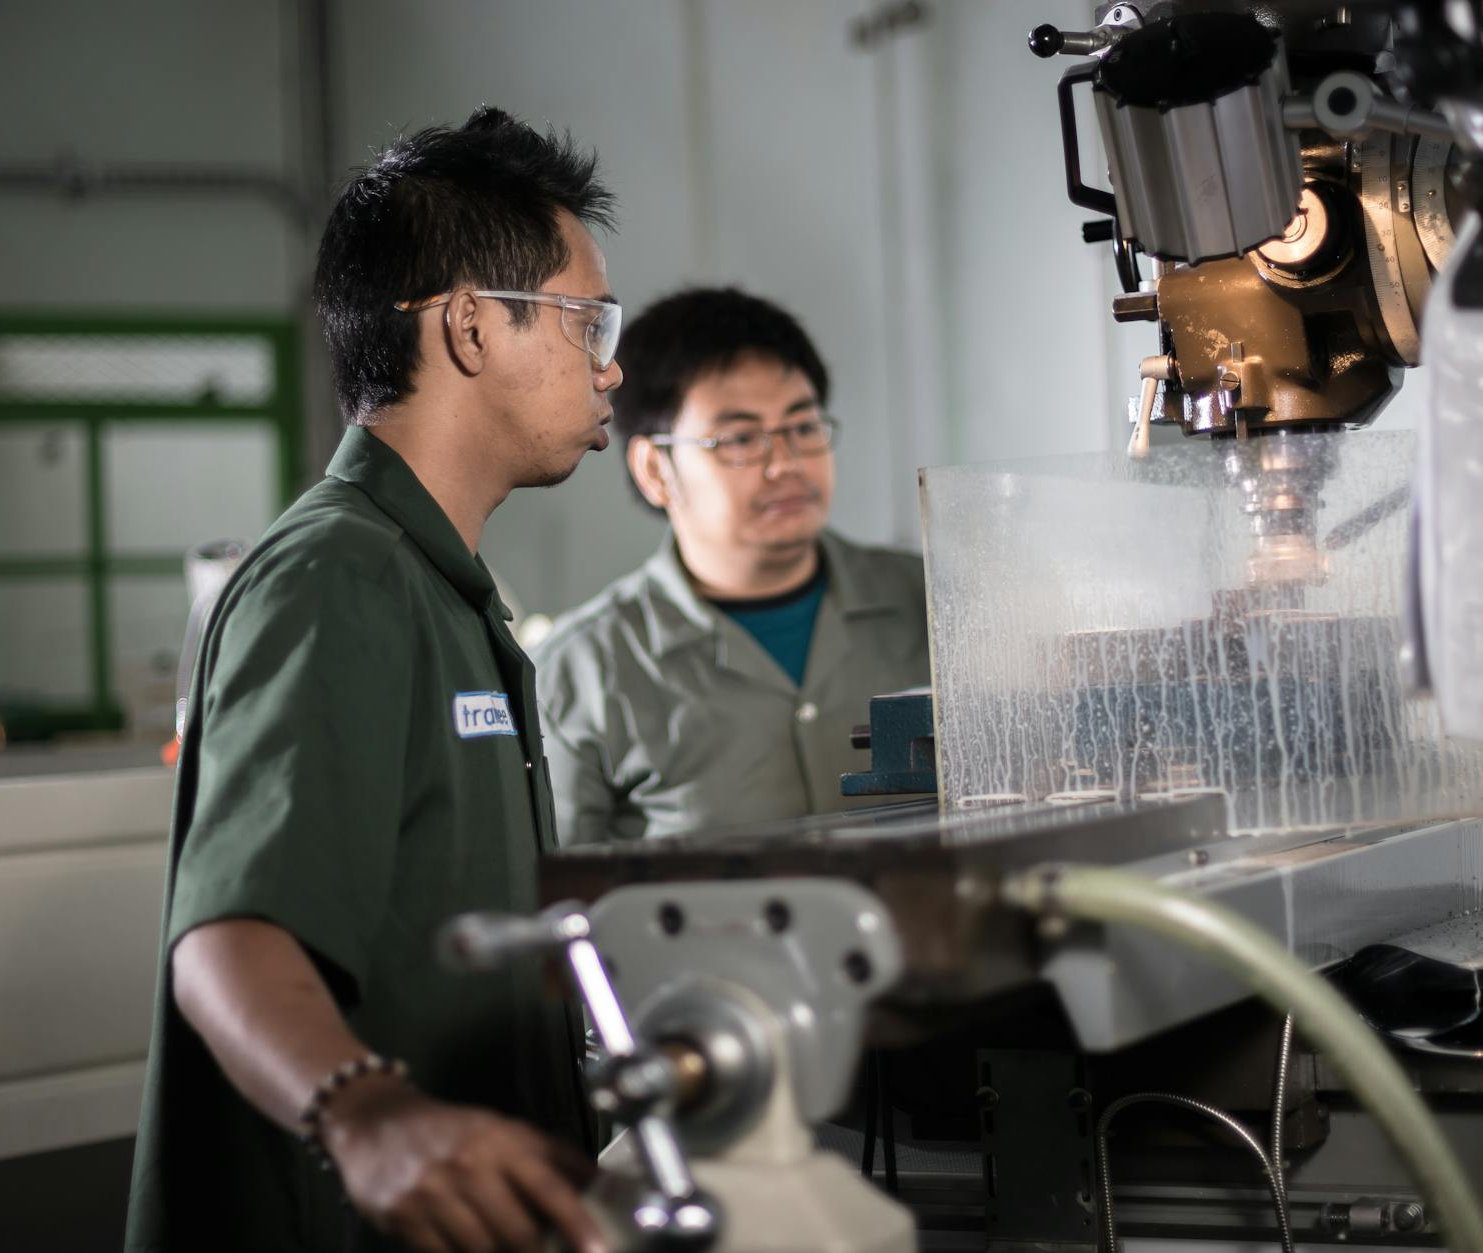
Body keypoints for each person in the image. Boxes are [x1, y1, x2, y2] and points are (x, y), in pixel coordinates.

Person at [125, 107, 620, 1253]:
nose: (611, 357)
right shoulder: (337, 575)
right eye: (585, 316)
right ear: (465, 327)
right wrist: (372, 1114)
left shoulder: (444, 589)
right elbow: (229, 936)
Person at [536, 287, 930, 845]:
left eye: (802, 426)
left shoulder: (934, 605)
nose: (786, 465)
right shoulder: (579, 674)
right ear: (655, 469)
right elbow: (560, 900)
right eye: (741, 439)